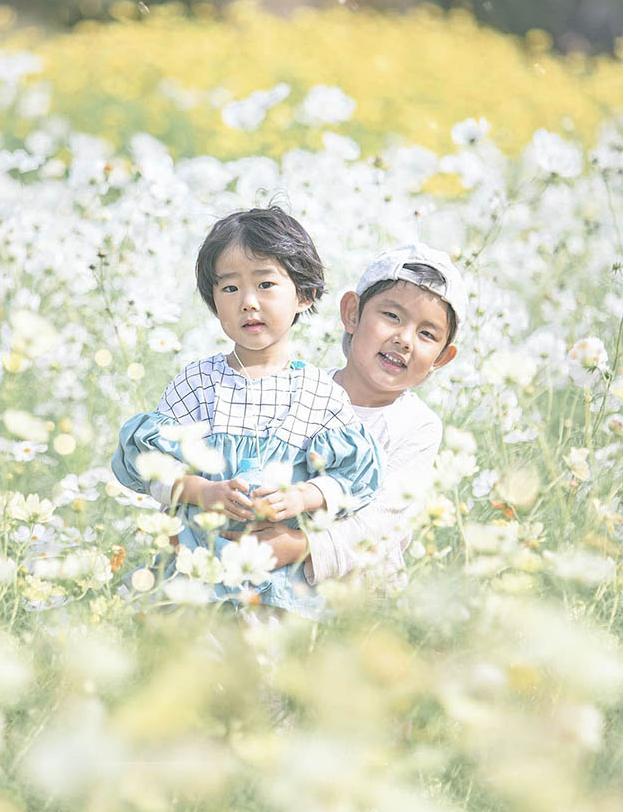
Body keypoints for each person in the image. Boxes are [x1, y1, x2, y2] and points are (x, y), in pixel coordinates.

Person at [112, 206, 383, 617]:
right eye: (230, 289)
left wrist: (300, 497)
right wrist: (203, 492)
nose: (248, 303)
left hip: (276, 585)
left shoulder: (320, 394)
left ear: (304, 295)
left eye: (266, 284)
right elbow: (148, 465)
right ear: (213, 301)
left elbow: (355, 479)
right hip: (196, 575)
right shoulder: (199, 382)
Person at [223, 242, 466, 592]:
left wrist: (300, 545)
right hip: (265, 583)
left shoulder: (417, 426)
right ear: (352, 313)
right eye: (392, 316)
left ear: (442, 357)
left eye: (427, 334)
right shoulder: (300, 387)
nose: (404, 339)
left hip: (357, 600)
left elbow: (385, 519)